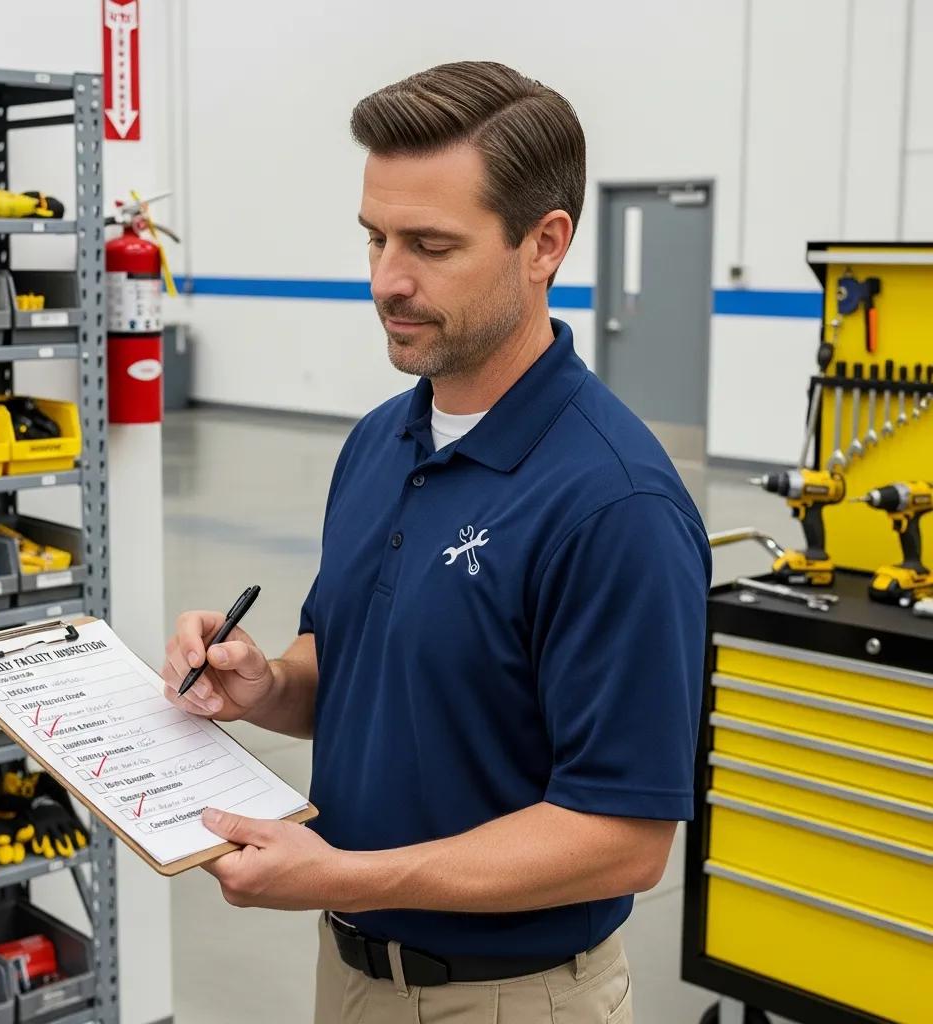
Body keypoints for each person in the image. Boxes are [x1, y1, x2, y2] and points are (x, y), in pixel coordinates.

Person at [161, 60, 710, 1024]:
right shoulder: (381, 441)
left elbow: (623, 838)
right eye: (375, 237)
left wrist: (351, 874)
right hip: (351, 973)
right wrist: (267, 685)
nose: (388, 280)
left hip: (514, 1000)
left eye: (430, 245)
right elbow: (348, 666)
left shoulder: (615, 504)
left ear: (544, 245)